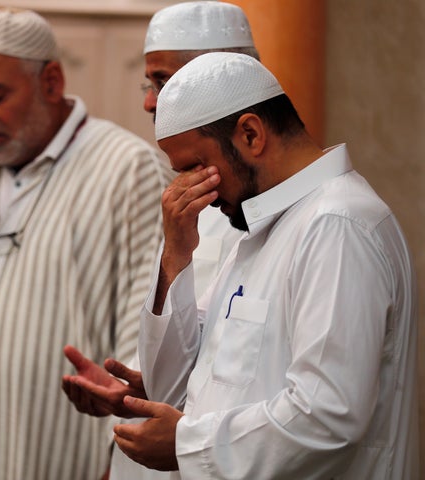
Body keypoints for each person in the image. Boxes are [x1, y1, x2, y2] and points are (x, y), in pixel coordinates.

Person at [0, 8, 169, 480]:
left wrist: (119, 462)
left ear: (52, 82)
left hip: (69, 458)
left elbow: (148, 333)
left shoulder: (127, 168)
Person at [112, 52, 418, 478]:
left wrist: (188, 445)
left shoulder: (337, 224)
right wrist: (176, 254)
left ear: (251, 135)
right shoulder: (261, 227)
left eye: (196, 167)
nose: (188, 187)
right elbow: (173, 388)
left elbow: (328, 414)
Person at [61, 3, 256, 478]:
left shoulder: (287, 214)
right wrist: (136, 390)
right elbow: (202, 350)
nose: (150, 103)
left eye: (163, 82)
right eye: (149, 85)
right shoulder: (191, 199)